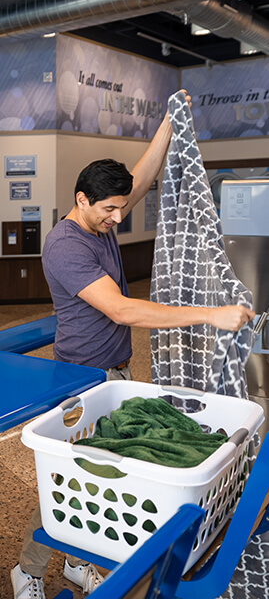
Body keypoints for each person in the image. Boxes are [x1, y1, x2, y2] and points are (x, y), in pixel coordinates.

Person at [11, 90, 255, 599]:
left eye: (122, 208)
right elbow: (122, 310)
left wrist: (170, 119)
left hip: (115, 373)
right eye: (110, 210)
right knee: (75, 481)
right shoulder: (65, 245)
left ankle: (77, 561)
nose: (119, 218)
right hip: (81, 378)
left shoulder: (102, 216)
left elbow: (139, 178)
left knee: (104, 483)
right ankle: (28, 570)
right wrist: (212, 315)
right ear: (81, 200)